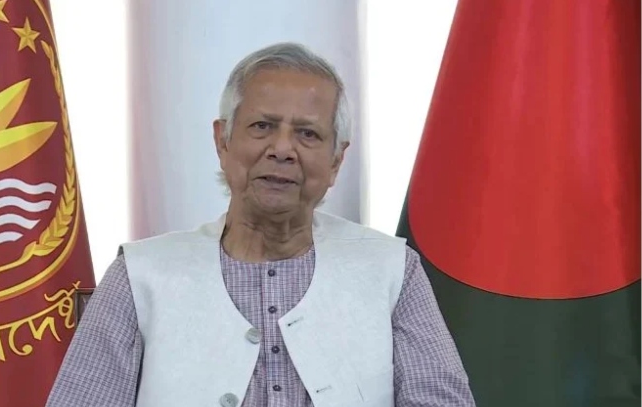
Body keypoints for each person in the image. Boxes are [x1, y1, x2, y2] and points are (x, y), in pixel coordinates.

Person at [46, 42, 475, 407]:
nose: (282, 149)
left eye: (307, 134)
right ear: (223, 140)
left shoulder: (393, 271)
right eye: (262, 126)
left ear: (336, 161)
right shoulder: (140, 275)